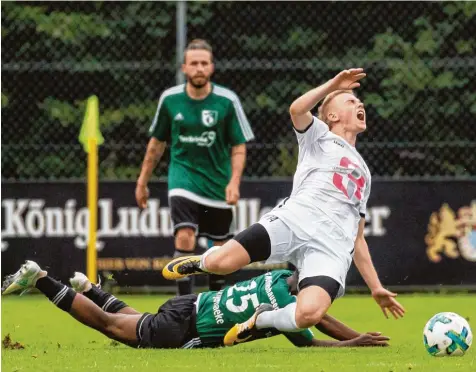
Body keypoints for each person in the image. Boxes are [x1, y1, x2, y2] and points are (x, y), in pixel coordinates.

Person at [163, 69, 406, 345]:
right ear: (332, 116)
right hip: (295, 219)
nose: (359, 104)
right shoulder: (319, 136)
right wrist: (333, 86)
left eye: (359, 102)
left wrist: (375, 287)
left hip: (331, 247)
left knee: (309, 314)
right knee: (222, 264)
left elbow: (358, 236)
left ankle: (262, 319)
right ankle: (201, 262)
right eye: (350, 101)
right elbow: (297, 109)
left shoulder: (365, 171)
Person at [2, 261, 389, 349]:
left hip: (189, 304)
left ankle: (88, 287)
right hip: (186, 330)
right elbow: (315, 334)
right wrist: (354, 343)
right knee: (108, 325)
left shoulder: (277, 278)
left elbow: (320, 316)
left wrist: (358, 337)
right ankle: (40, 278)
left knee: (137, 321)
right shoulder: (291, 309)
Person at [135, 39, 254, 296]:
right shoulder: (170, 100)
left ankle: (213, 301)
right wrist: (142, 181)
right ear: (184, 68)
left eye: (204, 63)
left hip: (217, 183)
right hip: (183, 178)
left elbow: (239, 147)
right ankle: (185, 302)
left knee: (221, 248)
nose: (199, 68)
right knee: (185, 235)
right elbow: (156, 144)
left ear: (211, 68)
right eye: (194, 63)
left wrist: (234, 182)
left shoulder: (227, 100)